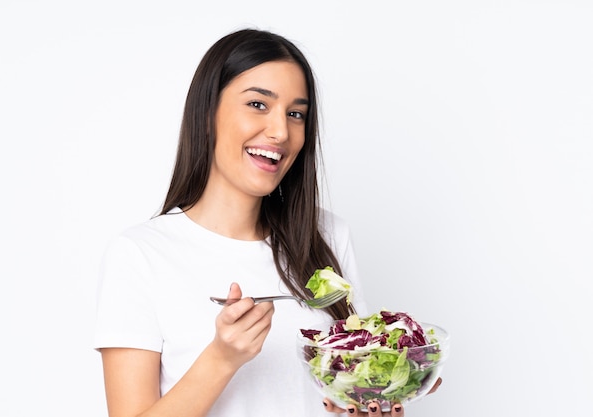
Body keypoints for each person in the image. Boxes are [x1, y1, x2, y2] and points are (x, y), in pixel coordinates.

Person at [94, 28, 440, 417]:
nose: (280, 132)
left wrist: (375, 400)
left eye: (296, 114)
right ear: (207, 113)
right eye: (258, 104)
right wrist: (222, 359)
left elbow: (345, 397)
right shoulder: (141, 254)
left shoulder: (328, 237)